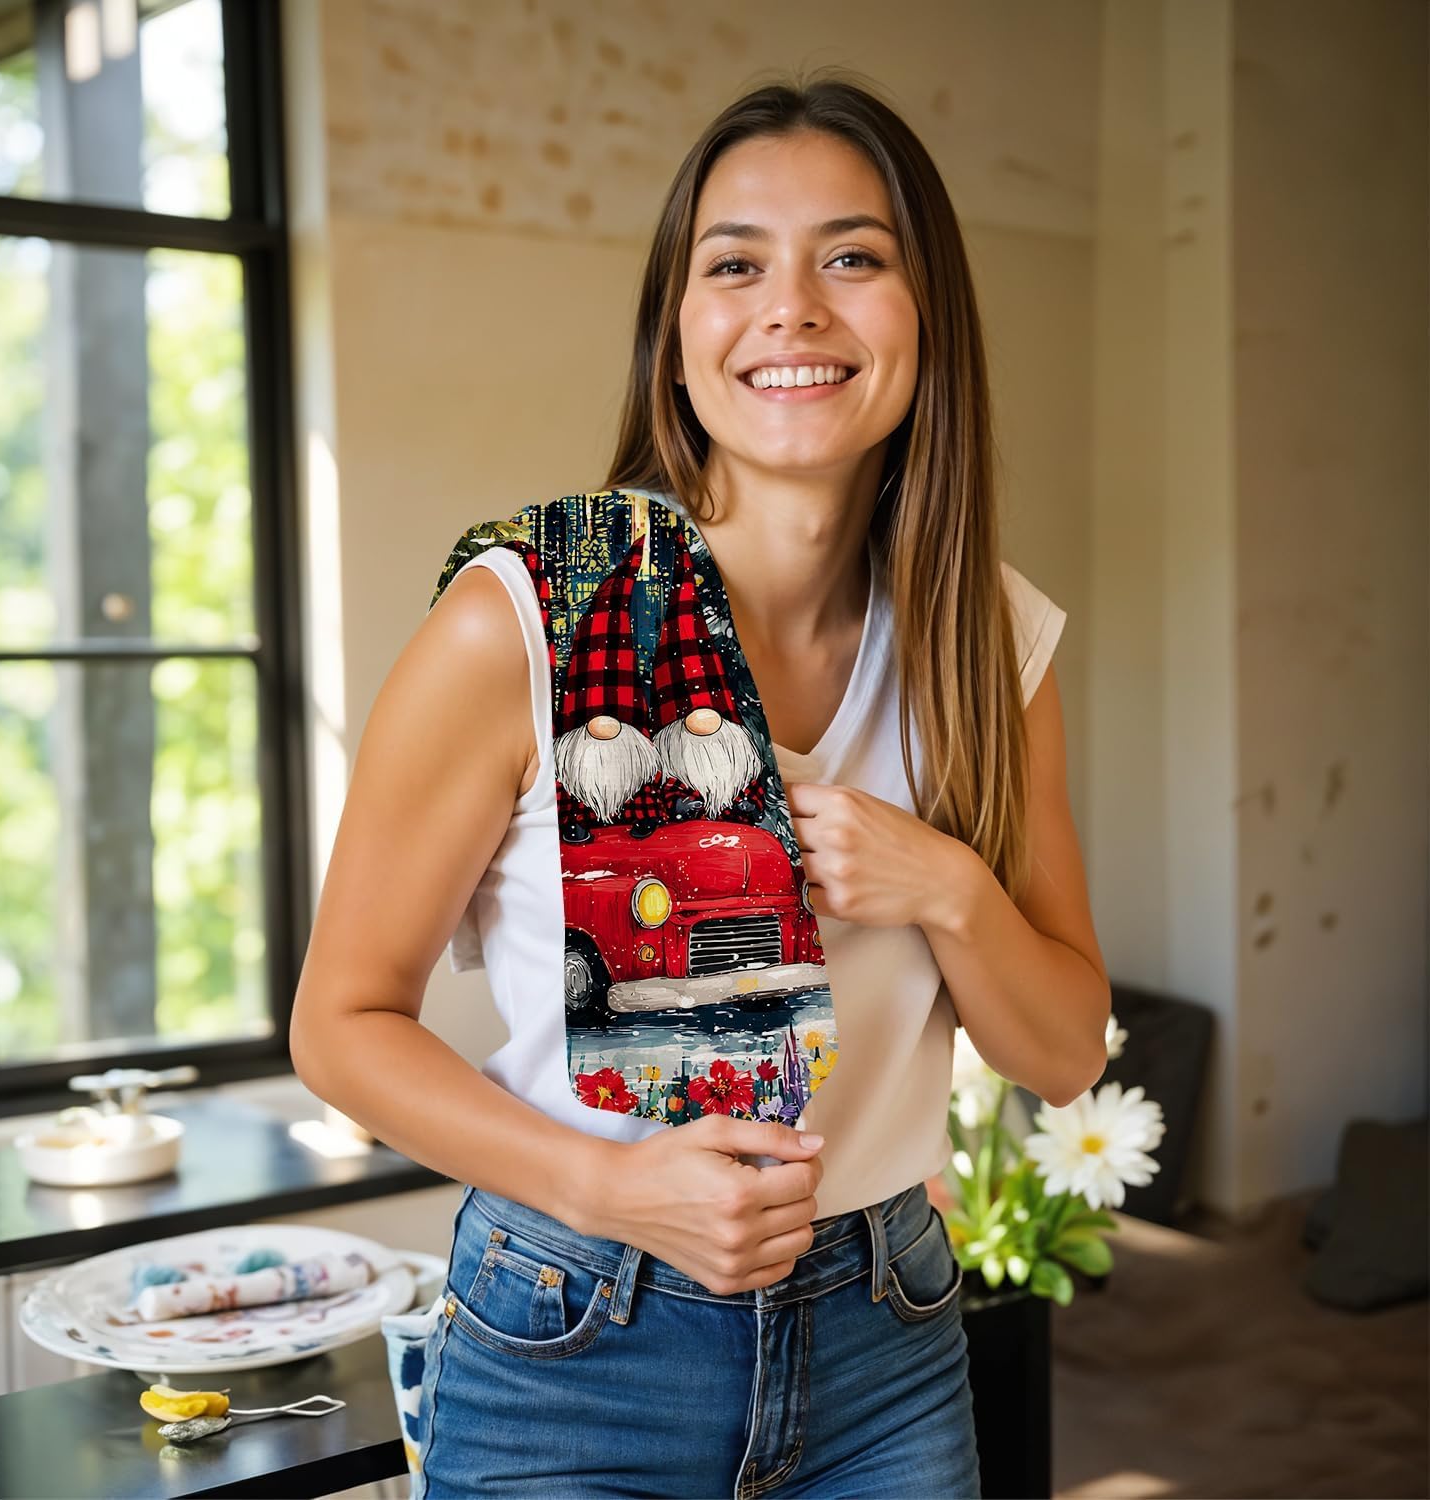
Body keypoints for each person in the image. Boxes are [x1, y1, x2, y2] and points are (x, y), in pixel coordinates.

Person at [290, 69, 1110, 1500]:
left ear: (928, 320)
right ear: (678, 336)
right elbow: (340, 1025)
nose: (792, 307)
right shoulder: (528, 619)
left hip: (888, 1337)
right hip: (574, 1339)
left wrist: (951, 889)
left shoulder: (991, 641)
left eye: (853, 257)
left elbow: (1063, 1053)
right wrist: (614, 1186)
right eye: (736, 265)